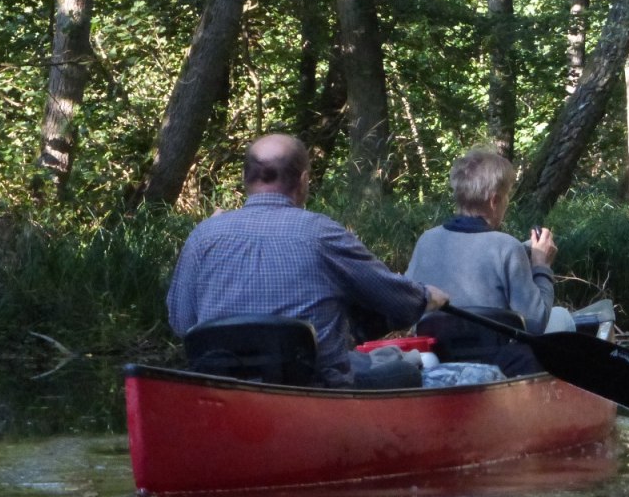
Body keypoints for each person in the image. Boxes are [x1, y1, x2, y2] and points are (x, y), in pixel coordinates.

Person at [166, 133, 449, 389]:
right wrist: (426, 296)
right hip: (313, 387)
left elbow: (182, 322)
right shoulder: (322, 234)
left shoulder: (204, 235)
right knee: (407, 372)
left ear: (245, 179)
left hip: (224, 388)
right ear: (302, 181)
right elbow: (395, 299)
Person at [405, 146, 568, 375]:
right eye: (507, 197)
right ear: (494, 201)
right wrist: (541, 265)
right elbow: (535, 324)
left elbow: (406, 306)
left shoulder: (427, 241)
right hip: (499, 363)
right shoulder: (506, 247)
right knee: (563, 320)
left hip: (437, 358)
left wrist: (523, 253)